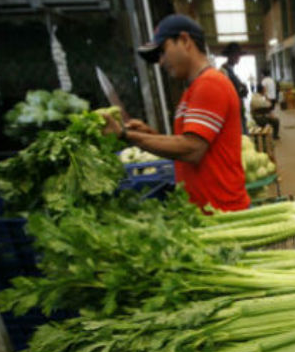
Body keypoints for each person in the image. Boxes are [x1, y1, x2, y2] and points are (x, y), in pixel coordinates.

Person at [102, 14, 250, 212]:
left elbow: (193, 149)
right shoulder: (192, 89)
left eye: (163, 52)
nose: (161, 62)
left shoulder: (210, 84)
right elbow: (186, 144)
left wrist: (126, 135)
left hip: (221, 211)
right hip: (206, 211)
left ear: (185, 41)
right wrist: (149, 134)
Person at [220, 42, 249, 134]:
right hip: (232, 109)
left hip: (238, 106)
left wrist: (242, 87)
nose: (238, 58)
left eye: (239, 55)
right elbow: (224, 91)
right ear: (230, 55)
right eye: (237, 55)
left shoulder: (231, 70)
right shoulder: (224, 70)